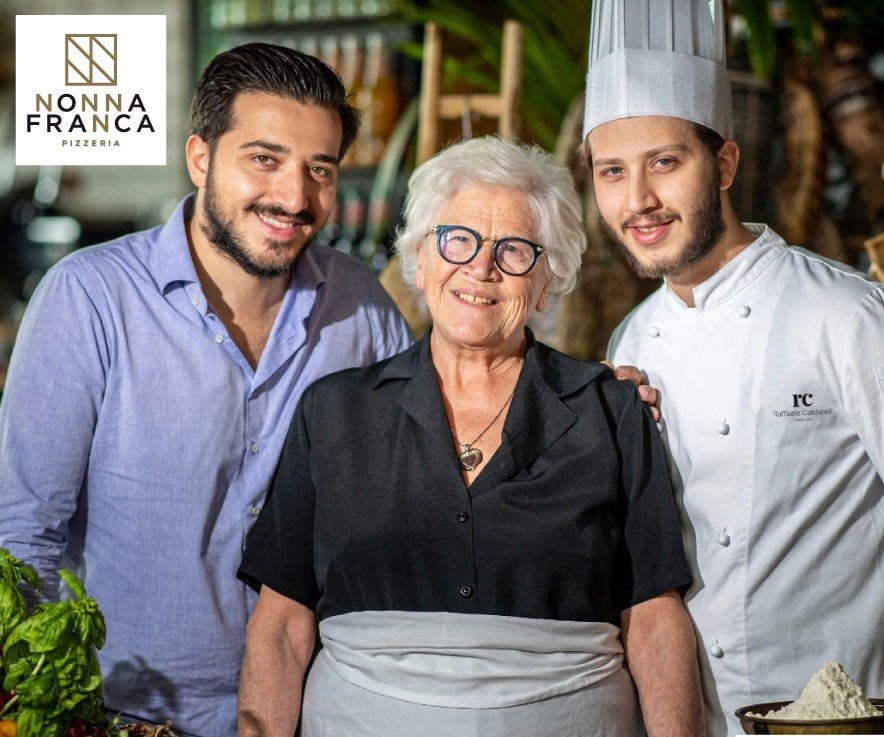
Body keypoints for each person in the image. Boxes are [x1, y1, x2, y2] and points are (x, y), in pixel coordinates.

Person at [0, 43, 412, 737]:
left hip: (311, 714)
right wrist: (49, 711)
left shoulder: (363, 308)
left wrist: (589, 399)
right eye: (265, 158)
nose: (294, 196)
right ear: (200, 157)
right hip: (118, 717)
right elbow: (22, 539)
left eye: (321, 169)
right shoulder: (90, 298)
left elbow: (447, 449)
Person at [236, 135, 704, 737]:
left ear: (545, 280)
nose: (480, 268)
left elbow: (654, 619)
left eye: (513, 250)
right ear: (421, 260)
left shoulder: (609, 411)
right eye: (457, 240)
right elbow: (281, 626)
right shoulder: (333, 413)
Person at [581, 0, 884, 735]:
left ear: (723, 163)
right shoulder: (629, 343)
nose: (638, 201)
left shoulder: (845, 315)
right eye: (612, 171)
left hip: (833, 717)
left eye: (665, 162)